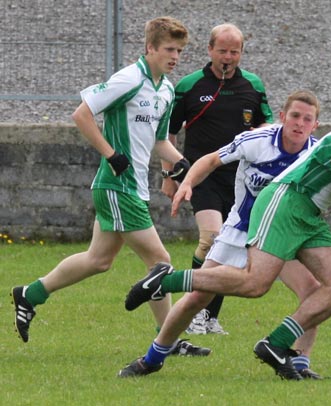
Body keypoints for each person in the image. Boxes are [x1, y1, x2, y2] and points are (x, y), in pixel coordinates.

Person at [123, 92, 331, 380]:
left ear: (315, 124)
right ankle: (163, 288)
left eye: (308, 119)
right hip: (281, 203)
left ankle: (281, 349)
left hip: (305, 215)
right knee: (249, 285)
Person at [10, 16, 209, 356]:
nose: (175, 56)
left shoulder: (166, 89)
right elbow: (81, 114)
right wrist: (111, 154)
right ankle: (168, 340)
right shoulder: (129, 79)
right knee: (160, 261)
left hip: (132, 188)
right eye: (168, 49)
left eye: (179, 50)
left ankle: (30, 294)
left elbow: (159, 141)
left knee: (98, 260)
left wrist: (182, 165)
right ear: (150, 48)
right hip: (117, 186)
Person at [119, 90, 323, 378]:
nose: (300, 123)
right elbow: (211, 160)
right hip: (241, 230)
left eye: (307, 119)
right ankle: (151, 359)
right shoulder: (257, 141)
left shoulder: (317, 154)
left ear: (315, 125)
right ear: (282, 117)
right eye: (295, 116)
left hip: (281, 235)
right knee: (198, 298)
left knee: (312, 292)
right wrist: (188, 182)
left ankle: (301, 364)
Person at [161, 23, 274, 335]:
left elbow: (269, 126)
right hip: (202, 175)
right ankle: (194, 312)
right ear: (210, 50)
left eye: (234, 51)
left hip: (241, 180)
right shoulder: (188, 85)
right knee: (211, 238)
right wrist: (169, 174)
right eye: (222, 50)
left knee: (228, 247)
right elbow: (167, 133)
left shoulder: (253, 84)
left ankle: (209, 317)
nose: (228, 57)